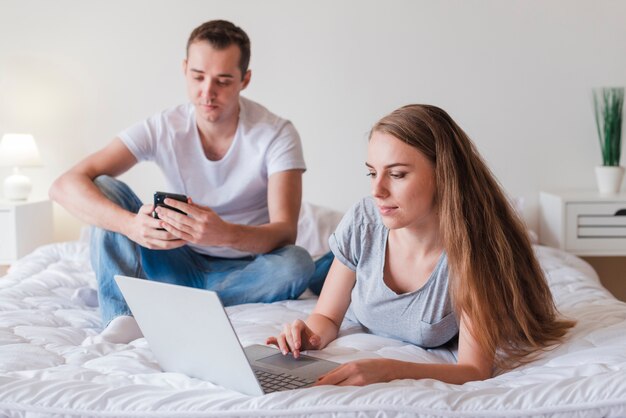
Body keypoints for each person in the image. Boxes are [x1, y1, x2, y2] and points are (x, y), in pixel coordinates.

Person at [50, 20, 327, 344]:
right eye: (198, 77)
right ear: (185, 69)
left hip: (245, 269)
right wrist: (130, 225)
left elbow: (285, 231)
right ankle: (121, 318)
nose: (207, 92)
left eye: (223, 81)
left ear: (245, 80)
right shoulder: (164, 126)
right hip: (173, 258)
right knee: (105, 186)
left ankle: (174, 297)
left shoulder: (276, 134)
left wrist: (225, 233)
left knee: (296, 263)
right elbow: (63, 185)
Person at [267, 104, 576, 386]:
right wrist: (309, 336)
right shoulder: (364, 220)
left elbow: (474, 370)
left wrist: (388, 369)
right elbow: (329, 317)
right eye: (372, 173)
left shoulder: (473, 253)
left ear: (442, 175)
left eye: (397, 174)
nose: (377, 190)